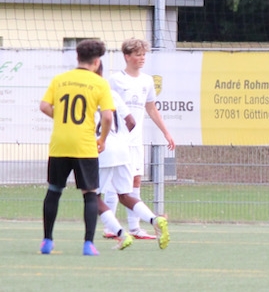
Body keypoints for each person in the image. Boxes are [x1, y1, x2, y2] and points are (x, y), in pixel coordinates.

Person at [39, 39, 115, 256]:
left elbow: (44, 106)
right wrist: (102, 139)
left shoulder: (60, 80)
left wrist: (61, 118)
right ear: (97, 62)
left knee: (54, 190)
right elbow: (107, 117)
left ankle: (47, 241)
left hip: (60, 144)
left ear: (77, 58)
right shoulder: (100, 83)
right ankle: (88, 244)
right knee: (90, 194)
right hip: (84, 146)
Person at [103, 38, 175, 241]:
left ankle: (134, 228)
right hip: (118, 141)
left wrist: (166, 132)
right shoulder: (115, 80)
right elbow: (106, 108)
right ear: (127, 56)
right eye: (138, 54)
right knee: (113, 183)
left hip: (136, 142)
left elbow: (151, 108)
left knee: (135, 181)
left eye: (144, 54)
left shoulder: (147, 81)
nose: (142, 58)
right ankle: (110, 227)